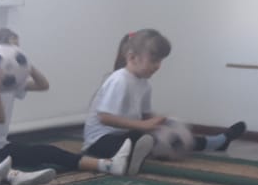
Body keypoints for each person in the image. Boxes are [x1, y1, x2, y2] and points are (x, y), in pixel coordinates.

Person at [0, 28, 149, 177]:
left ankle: (106, 165)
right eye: (13, 50)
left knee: (46, 151)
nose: (18, 53)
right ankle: (15, 177)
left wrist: (26, 65)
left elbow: (43, 85)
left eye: (19, 51)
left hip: (0, 144)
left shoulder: (10, 83)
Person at [83, 29, 246, 159]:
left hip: (124, 134)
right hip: (100, 141)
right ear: (132, 58)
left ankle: (215, 142)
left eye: (160, 61)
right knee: (149, 142)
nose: (158, 66)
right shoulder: (119, 80)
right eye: (154, 61)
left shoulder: (145, 84)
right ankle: (130, 158)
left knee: (167, 135)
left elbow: (145, 116)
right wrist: (143, 126)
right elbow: (105, 118)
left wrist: (164, 122)